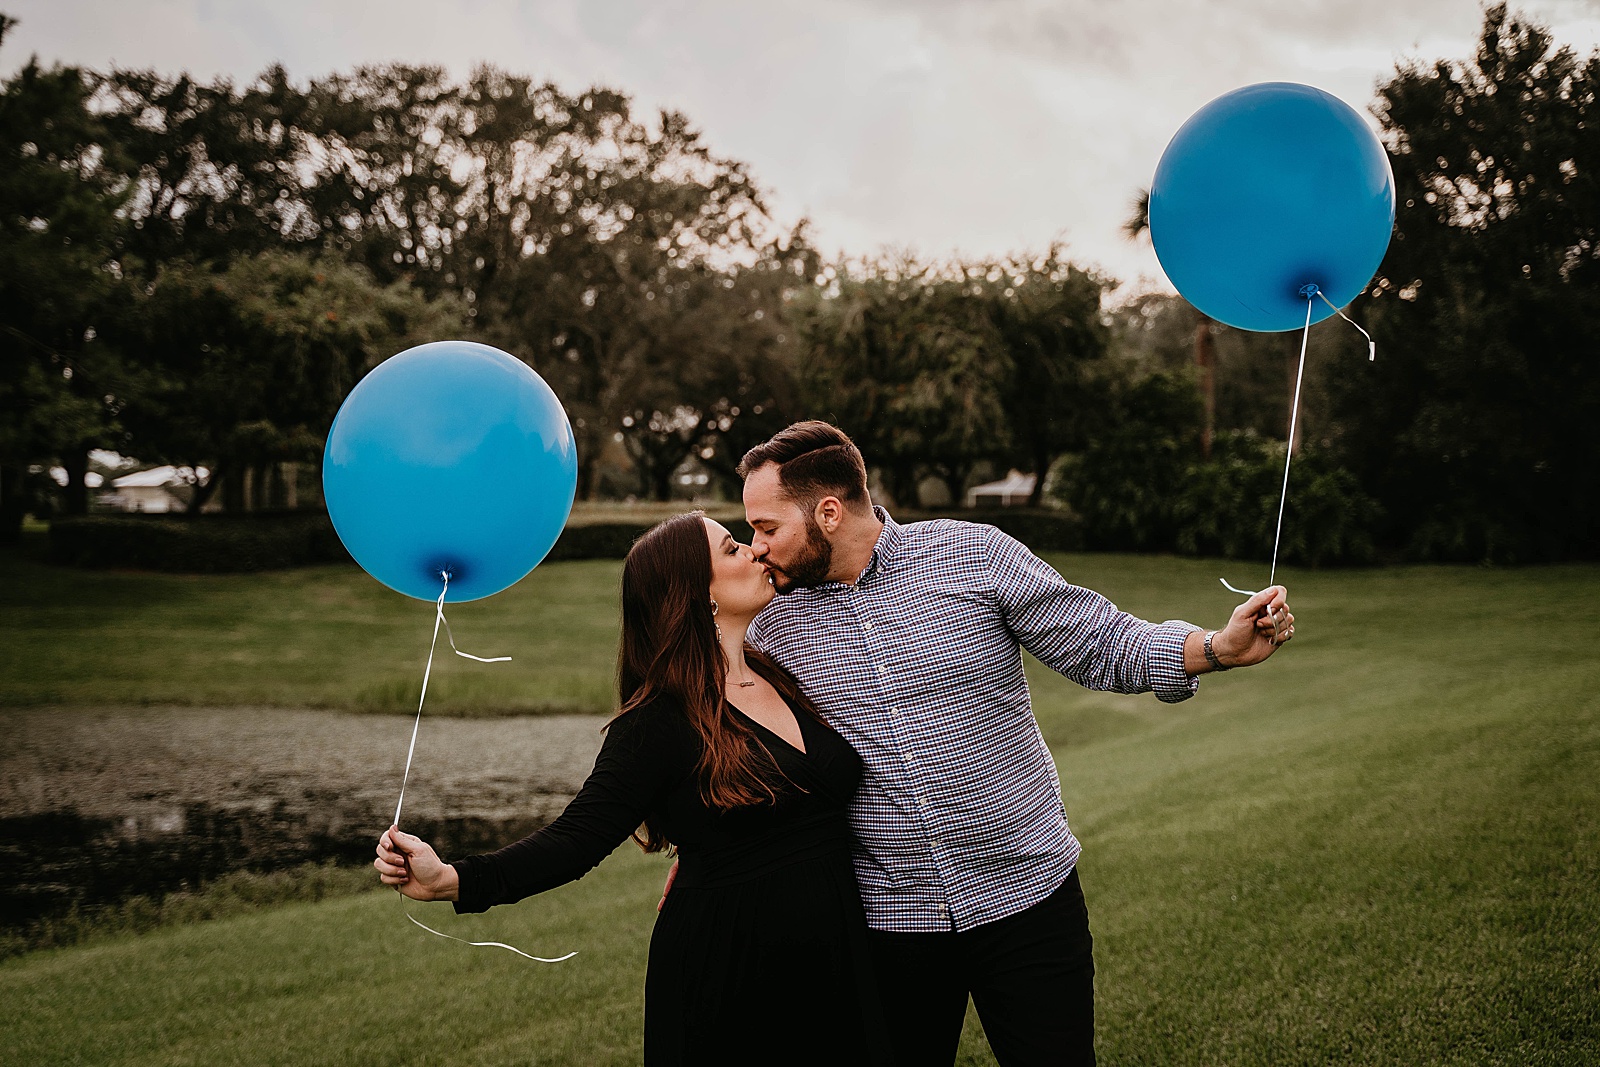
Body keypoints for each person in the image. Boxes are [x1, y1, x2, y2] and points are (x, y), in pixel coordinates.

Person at [726, 420, 1296, 1067]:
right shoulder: (770, 621)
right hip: (889, 923)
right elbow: (730, 733)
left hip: (1028, 898)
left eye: (766, 526)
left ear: (827, 511)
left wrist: (1216, 648)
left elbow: (1100, 642)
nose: (757, 545)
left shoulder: (975, 554)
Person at [373, 512, 890, 1066]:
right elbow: (576, 839)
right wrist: (454, 880)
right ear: (697, 592)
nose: (755, 552)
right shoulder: (657, 722)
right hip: (733, 963)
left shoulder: (780, 673)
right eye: (731, 548)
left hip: (833, 952)